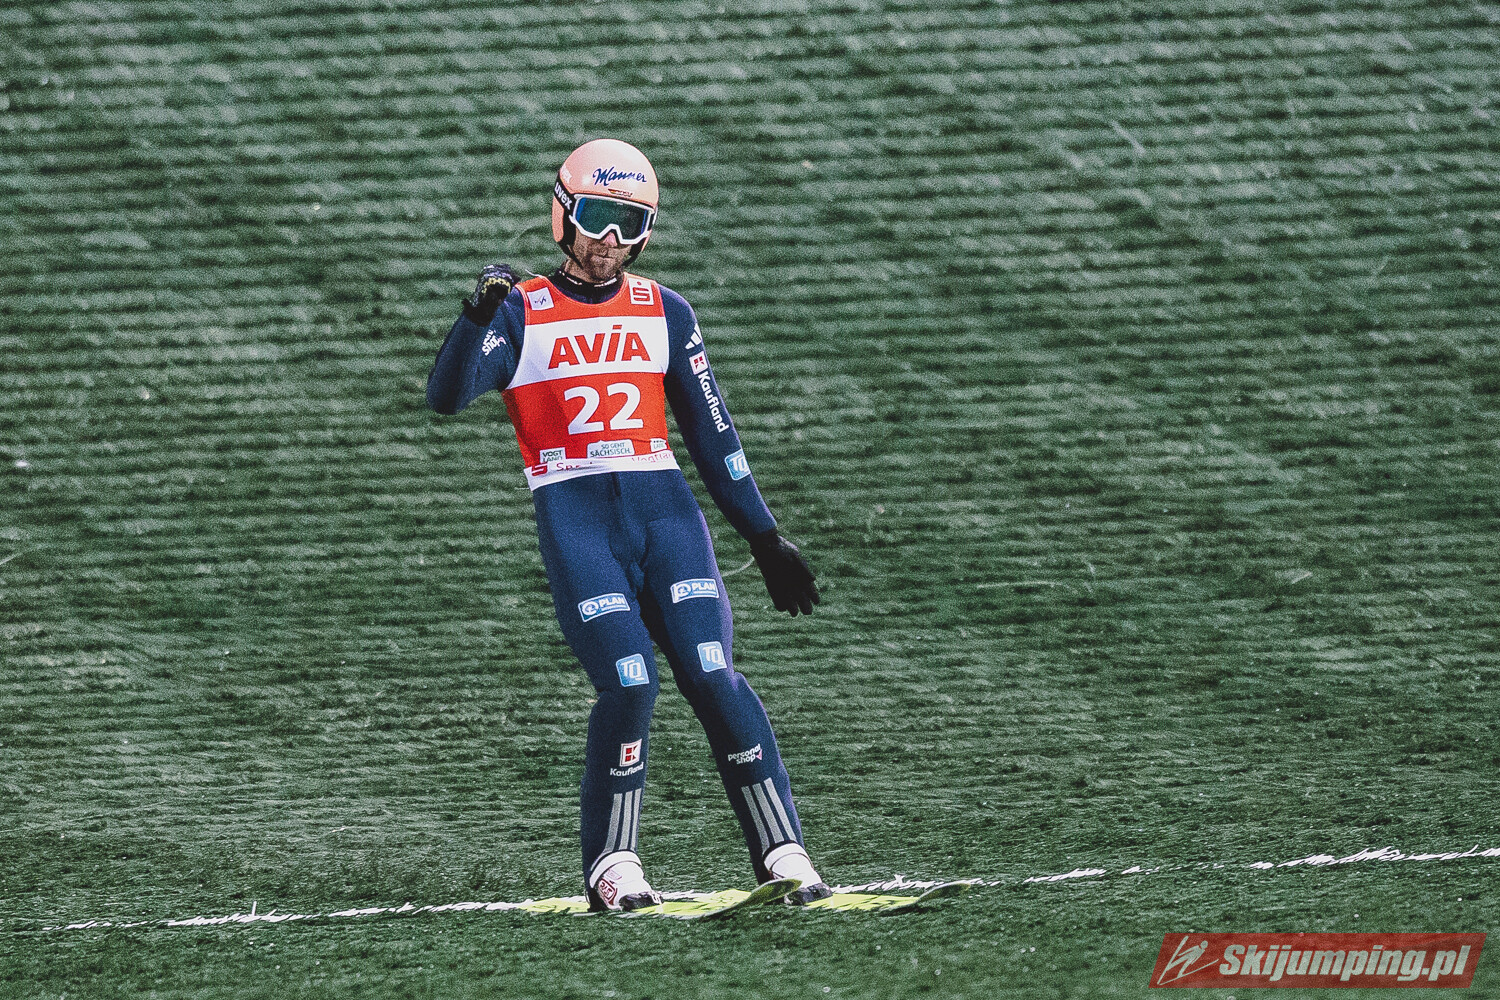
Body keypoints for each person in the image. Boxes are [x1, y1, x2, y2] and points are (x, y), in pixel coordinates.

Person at [425, 138, 831, 911]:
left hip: (665, 517)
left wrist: (764, 535)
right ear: (563, 214)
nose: (609, 241)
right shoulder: (522, 310)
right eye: (596, 218)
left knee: (713, 674)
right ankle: (613, 865)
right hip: (580, 523)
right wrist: (475, 316)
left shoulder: (666, 312)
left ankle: (783, 850)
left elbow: (713, 436)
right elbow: (447, 396)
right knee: (630, 681)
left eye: (629, 223)